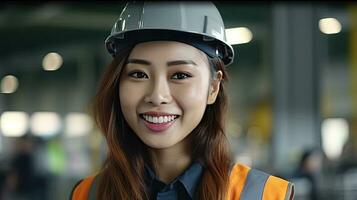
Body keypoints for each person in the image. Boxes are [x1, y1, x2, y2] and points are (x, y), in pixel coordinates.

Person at [70, 1, 294, 200]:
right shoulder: (87, 193)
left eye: (180, 75)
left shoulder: (266, 195)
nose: (157, 96)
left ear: (213, 88)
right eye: (138, 74)